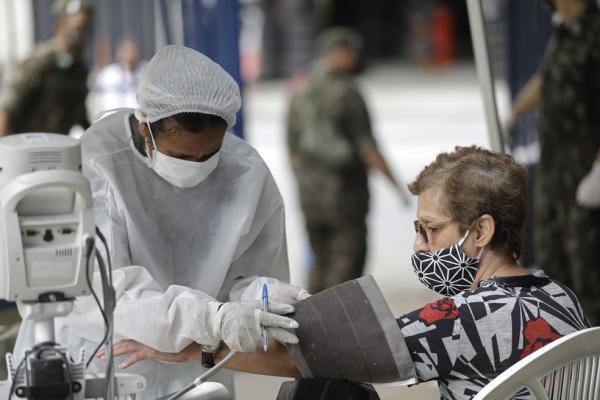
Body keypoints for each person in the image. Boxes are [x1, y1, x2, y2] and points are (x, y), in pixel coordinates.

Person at [107, 146, 589, 400]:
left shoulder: (461, 319)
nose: (419, 247)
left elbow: (311, 356)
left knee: (327, 391)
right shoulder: (559, 295)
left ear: (481, 231)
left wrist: (195, 348)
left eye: (432, 230)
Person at [50, 45, 307, 398]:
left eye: (208, 154)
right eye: (182, 155)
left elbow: (250, 272)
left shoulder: (245, 171)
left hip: (202, 363)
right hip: (109, 362)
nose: (196, 165)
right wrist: (211, 318)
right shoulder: (97, 165)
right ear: (145, 128)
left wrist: (264, 295)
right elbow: (108, 293)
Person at [286, 27, 409, 294]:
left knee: (318, 260)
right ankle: (338, 328)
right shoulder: (348, 92)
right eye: (350, 51)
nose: (354, 57)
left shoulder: (300, 89)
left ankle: (312, 323)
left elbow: (292, 148)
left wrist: (305, 183)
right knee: (346, 266)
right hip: (345, 196)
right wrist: (398, 187)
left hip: (310, 195)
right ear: (337, 52)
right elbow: (368, 149)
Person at [506, 0, 600, 324]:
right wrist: (515, 113)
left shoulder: (595, 32)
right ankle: (561, 350)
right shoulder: (563, 30)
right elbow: (546, 81)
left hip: (586, 171)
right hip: (555, 170)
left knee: (587, 269)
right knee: (552, 267)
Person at [0, 0, 92, 136]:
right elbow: (6, 109)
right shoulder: (40, 63)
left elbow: (80, 115)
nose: (82, 36)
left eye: (86, 29)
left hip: (57, 148)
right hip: (27, 148)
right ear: (60, 26)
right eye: (78, 29)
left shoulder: (80, 70)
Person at [92, 38, 146, 113]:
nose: (130, 57)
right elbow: (98, 98)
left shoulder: (145, 70)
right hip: (112, 118)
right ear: (120, 54)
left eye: (133, 52)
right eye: (126, 52)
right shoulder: (108, 74)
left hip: (138, 119)